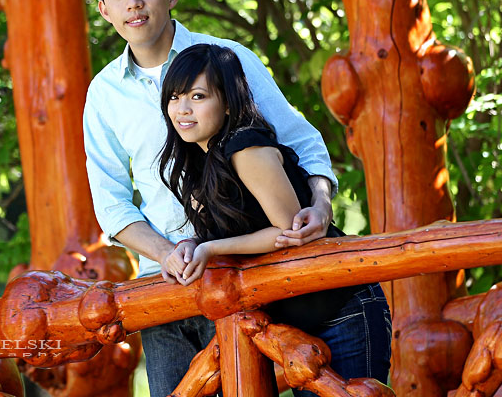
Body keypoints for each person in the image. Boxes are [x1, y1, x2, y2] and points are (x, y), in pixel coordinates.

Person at [83, 0, 338, 397]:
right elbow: (112, 204)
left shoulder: (227, 59)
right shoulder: (103, 95)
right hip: (164, 288)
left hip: (248, 273)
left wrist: (321, 204)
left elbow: (302, 141)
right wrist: (167, 253)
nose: (133, 2)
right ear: (103, 9)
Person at [158, 44, 392, 393]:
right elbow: (237, 230)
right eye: (175, 98)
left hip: (340, 308)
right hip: (297, 322)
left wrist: (209, 249)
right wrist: (191, 244)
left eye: (198, 96)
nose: (183, 109)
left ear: (227, 101)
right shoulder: (202, 162)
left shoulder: (245, 148)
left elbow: (289, 230)